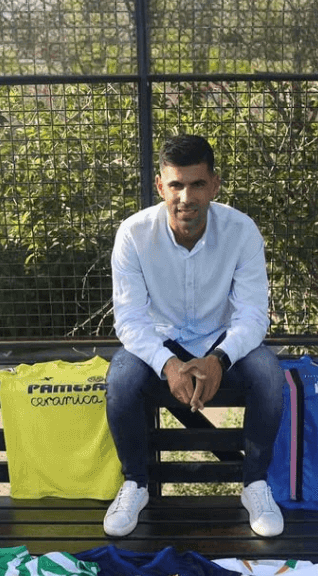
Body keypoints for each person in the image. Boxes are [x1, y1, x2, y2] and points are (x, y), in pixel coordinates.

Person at [102, 133, 285, 538]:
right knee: (122, 377)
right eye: (176, 185)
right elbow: (129, 319)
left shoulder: (242, 231)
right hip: (160, 345)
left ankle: (254, 484)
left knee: (269, 374)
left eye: (197, 184)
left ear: (214, 185)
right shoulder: (133, 234)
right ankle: (135, 484)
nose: (186, 197)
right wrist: (167, 363)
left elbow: (254, 315)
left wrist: (219, 359)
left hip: (221, 344)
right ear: (160, 186)